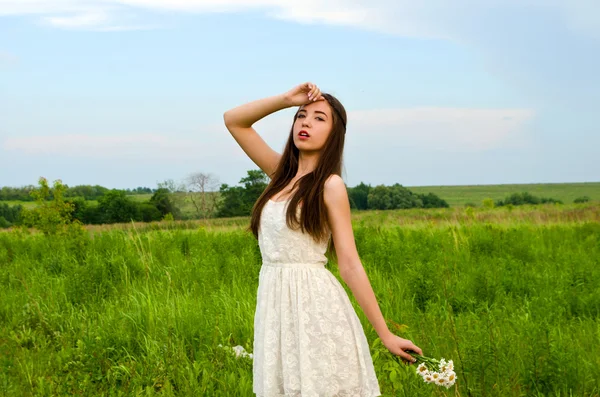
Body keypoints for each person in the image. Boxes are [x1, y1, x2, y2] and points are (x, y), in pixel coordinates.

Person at [223, 82, 423, 396]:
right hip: (275, 304)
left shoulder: (330, 186)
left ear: (334, 134)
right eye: (301, 116)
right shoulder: (280, 175)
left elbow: (350, 264)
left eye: (319, 119)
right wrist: (286, 99)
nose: (305, 122)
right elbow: (234, 120)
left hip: (315, 306)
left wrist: (385, 334)